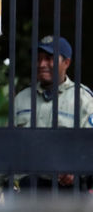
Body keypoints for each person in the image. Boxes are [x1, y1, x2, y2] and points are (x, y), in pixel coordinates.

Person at [13, 35, 93, 192]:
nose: (42, 64)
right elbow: (6, 147)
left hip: (68, 193)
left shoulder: (83, 100)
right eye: (38, 59)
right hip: (28, 192)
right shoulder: (21, 99)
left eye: (49, 58)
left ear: (66, 63)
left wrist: (76, 168)